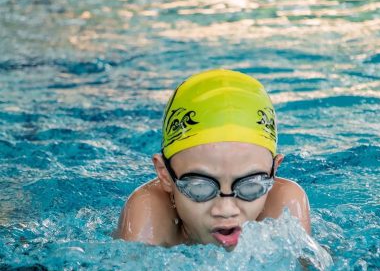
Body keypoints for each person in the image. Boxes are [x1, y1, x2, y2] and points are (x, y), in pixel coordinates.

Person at [116, 69, 310, 249]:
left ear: (274, 171)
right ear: (165, 174)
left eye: (251, 185)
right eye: (200, 187)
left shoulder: (286, 204)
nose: (226, 210)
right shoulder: (148, 208)